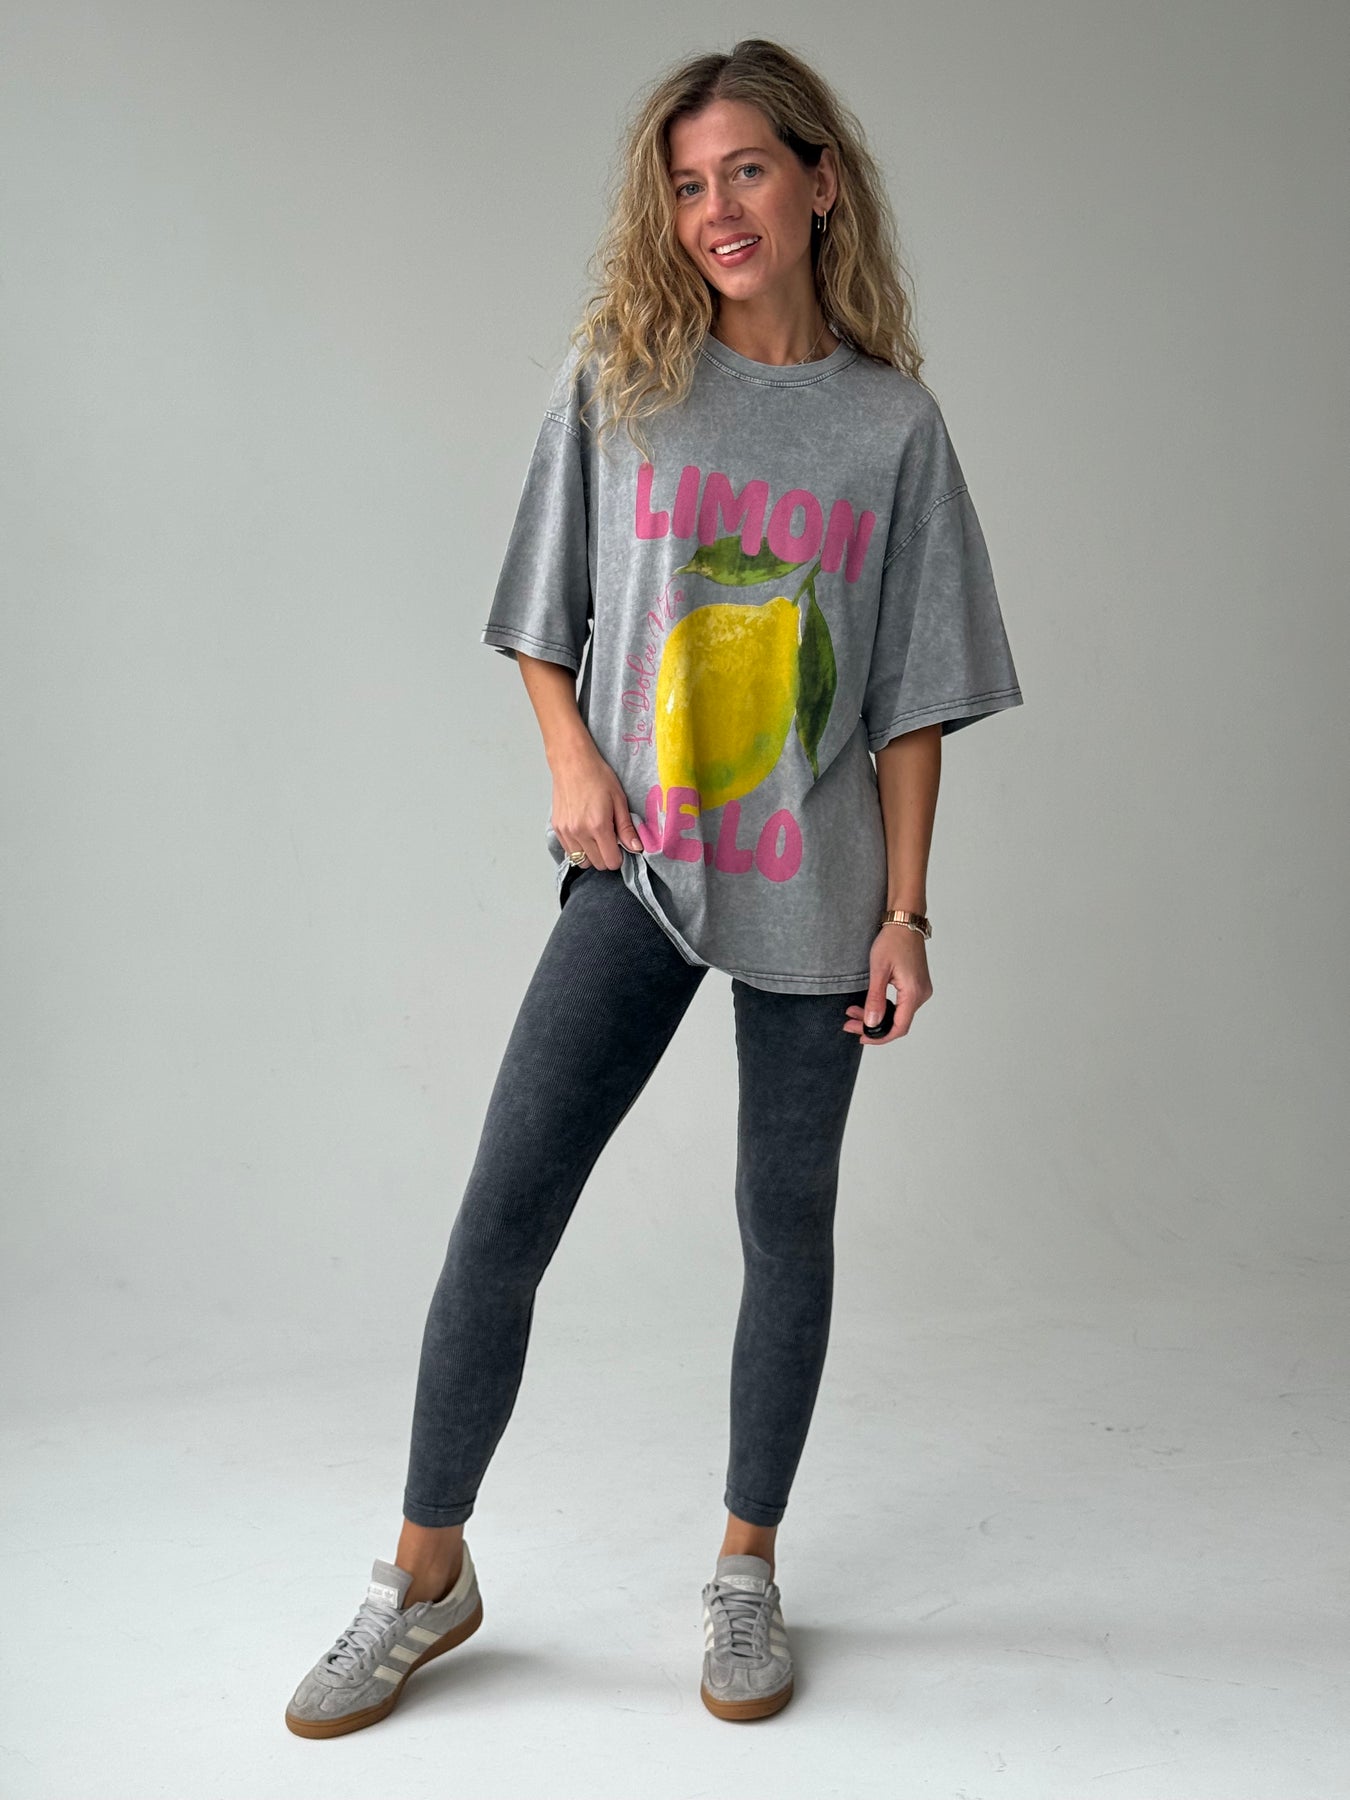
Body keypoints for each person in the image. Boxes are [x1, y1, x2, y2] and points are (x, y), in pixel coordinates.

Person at [284, 35, 1022, 1737]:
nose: (715, 210)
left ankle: (746, 1567)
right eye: (687, 185)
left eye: (746, 170)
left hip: (819, 891)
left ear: (819, 180)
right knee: (504, 1213)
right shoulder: (622, 378)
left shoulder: (890, 426)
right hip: (639, 868)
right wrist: (571, 762)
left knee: (785, 1227)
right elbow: (539, 618)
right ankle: (424, 1574)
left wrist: (906, 912)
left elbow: (912, 699)